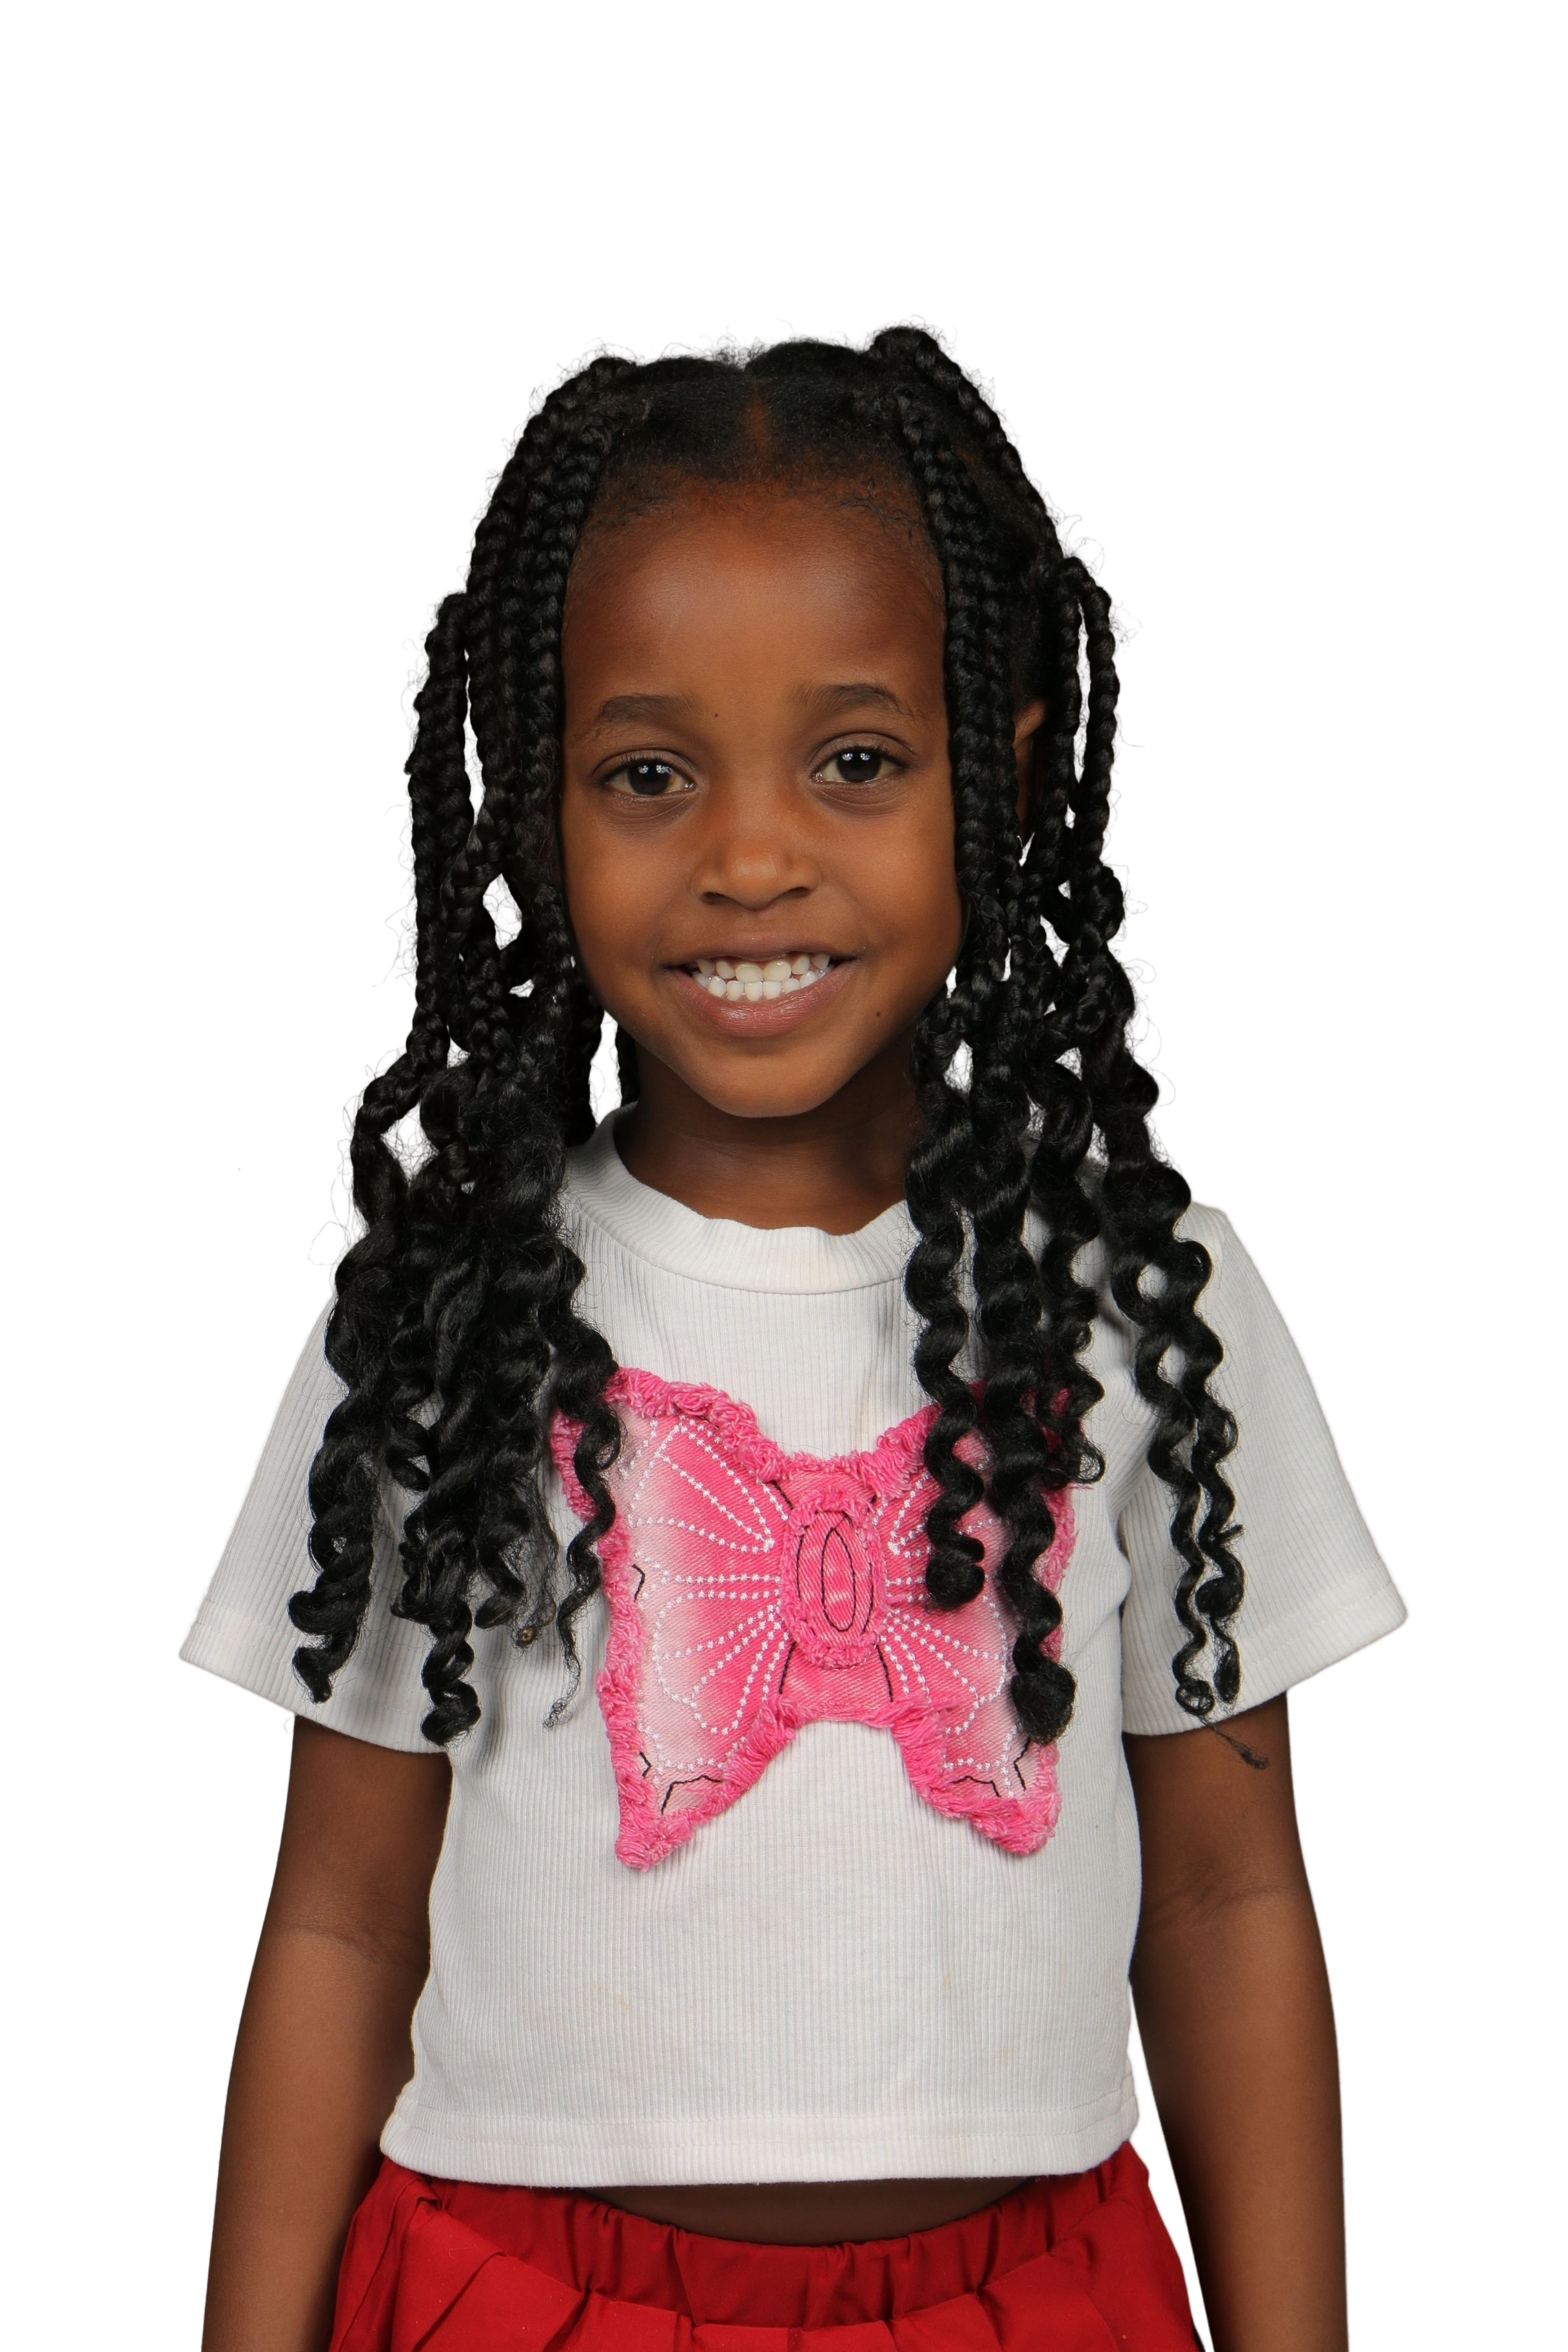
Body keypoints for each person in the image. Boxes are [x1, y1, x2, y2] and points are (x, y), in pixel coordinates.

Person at [178, 315, 1409, 2352]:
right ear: (530, 805)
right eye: (648, 774)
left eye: (856, 761)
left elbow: (1226, 1898)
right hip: (518, 2295)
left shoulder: (1143, 1296)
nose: (752, 858)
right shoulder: (449, 1307)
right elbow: (340, 1919)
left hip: (1042, 2300)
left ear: (1001, 776)